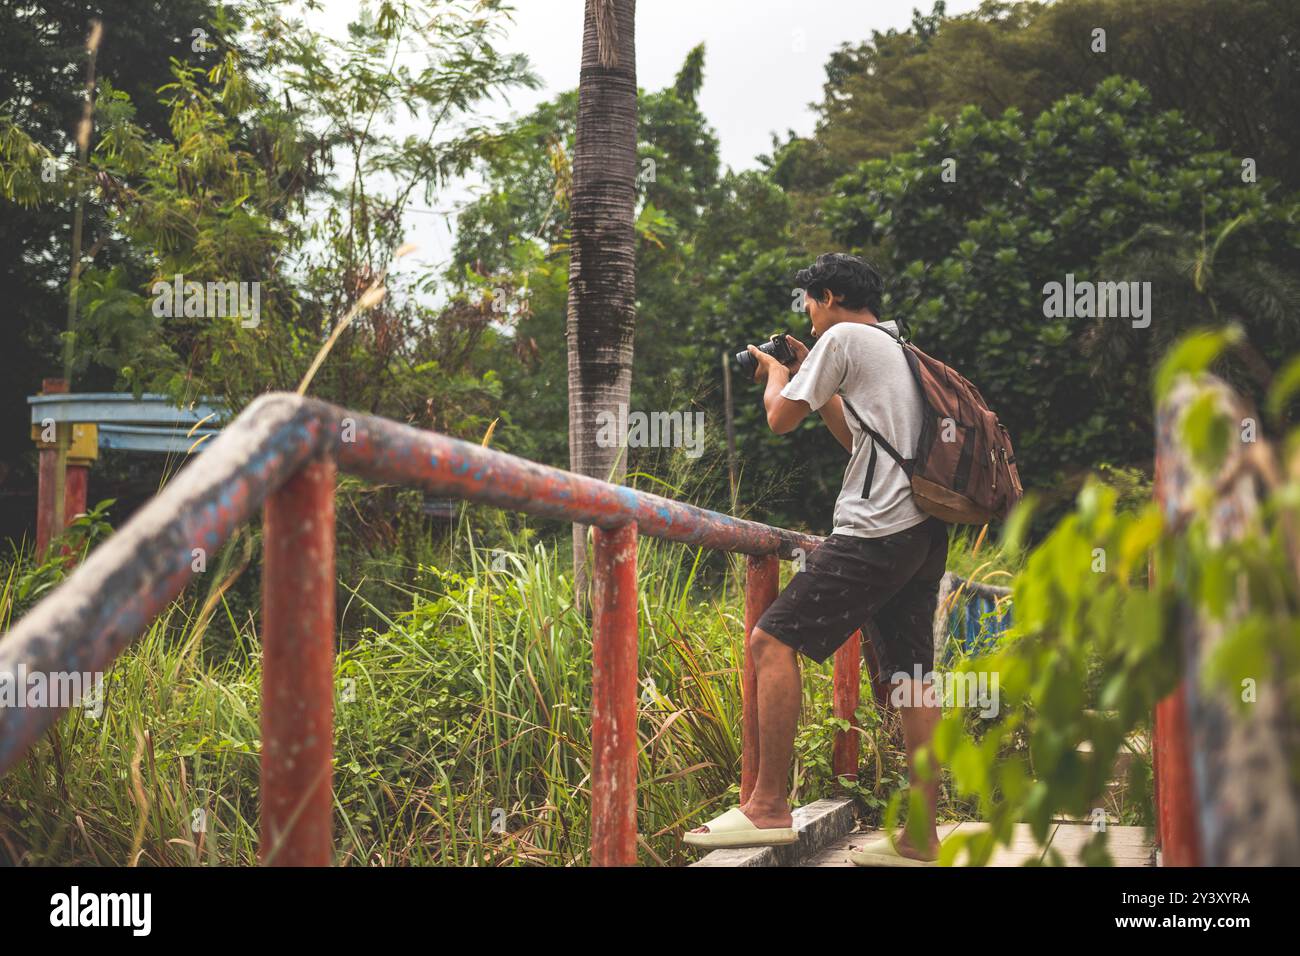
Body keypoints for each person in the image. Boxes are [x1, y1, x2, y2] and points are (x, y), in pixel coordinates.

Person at [683, 253, 948, 865]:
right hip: (921, 531)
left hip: (874, 529)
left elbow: (779, 420)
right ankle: (921, 836)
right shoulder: (893, 344)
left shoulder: (842, 338)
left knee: (769, 643)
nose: (805, 313)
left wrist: (777, 371)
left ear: (826, 296)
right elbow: (857, 439)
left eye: (807, 301)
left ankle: (768, 806)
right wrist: (810, 374)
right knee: (911, 677)